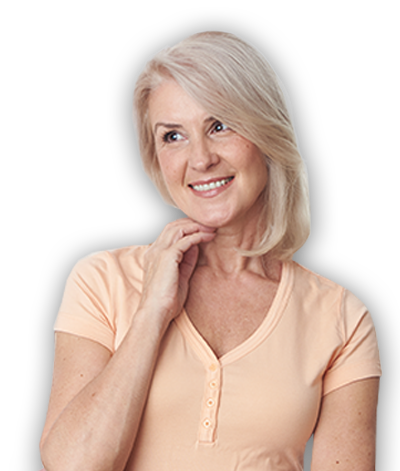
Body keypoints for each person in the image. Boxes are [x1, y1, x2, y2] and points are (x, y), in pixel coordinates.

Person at [39, 30, 382, 470]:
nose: (200, 160)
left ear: (267, 132)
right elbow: (70, 465)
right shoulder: (100, 280)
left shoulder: (342, 318)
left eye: (219, 126)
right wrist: (151, 313)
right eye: (173, 136)